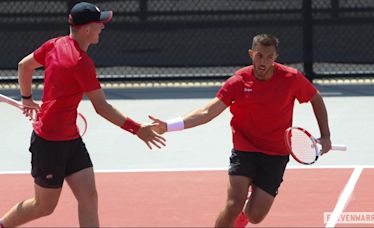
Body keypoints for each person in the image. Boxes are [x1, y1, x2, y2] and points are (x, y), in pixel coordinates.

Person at [0, 2, 165, 227]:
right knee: (44, 206)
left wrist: (26, 97)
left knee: (88, 196)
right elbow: (101, 107)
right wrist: (137, 129)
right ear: (87, 29)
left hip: (71, 139)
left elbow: (24, 66)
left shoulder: (54, 44)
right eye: (99, 24)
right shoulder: (81, 63)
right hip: (49, 143)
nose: (102, 28)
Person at [149, 34, 332, 227]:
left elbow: (315, 98)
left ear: (275, 57)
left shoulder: (291, 78)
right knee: (234, 203)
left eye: (269, 56)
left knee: (255, 216)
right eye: (259, 55)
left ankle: (246, 213)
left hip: (276, 153)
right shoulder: (238, 81)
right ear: (251, 54)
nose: (263, 61)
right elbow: (207, 112)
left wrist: (326, 134)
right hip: (245, 149)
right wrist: (168, 126)